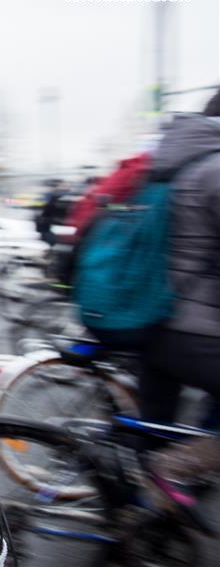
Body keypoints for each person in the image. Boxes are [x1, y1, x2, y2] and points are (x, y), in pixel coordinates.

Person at [140, 91, 220, 482]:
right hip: (195, 325)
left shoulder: (169, 163)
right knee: (169, 458)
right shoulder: (214, 168)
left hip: (150, 316)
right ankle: (173, 474)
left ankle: (141, 515)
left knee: (156, 432)